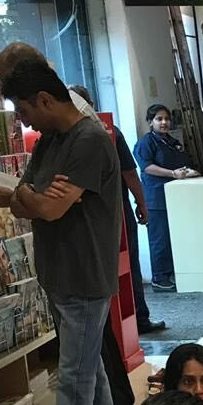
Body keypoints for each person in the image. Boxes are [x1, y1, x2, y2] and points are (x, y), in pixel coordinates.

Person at [0, 59, 128, 405]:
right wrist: (33, 198)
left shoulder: (89, 141)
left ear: (44, 99)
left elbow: (47, 207)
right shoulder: (53, 141)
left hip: (84, 276)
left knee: (75, 383)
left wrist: (29, 198)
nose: (22, 121)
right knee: (90, 374)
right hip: (60, 274)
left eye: (23, 109)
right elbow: (34, 197)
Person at [72, 86, 163, 333]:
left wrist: (140, 202)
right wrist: (141, 203)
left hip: (96, 215)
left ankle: (132, 321)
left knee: (121, 267)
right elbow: (129, 173)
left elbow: (129, 173)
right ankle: (135, 321)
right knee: (126, 265)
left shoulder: (87, 133)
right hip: (113, 212)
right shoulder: (105, 131)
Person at [134, 104, 197, 293]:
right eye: (159, 119)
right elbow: (146, 167)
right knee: (159, 240)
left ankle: (171, 274)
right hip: (156, 198)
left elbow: (182, 161)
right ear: (150, 122)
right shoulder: (145, 143)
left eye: (166, 119)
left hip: (176, 198)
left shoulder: (171, 141)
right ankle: (159, 278)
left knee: (173, 239)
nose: (164, 123)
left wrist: (188, 171)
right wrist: (172, 173)